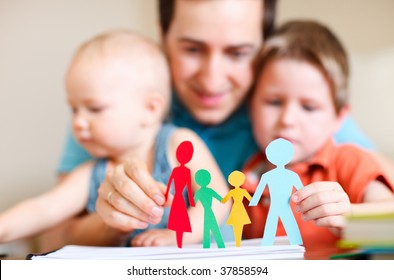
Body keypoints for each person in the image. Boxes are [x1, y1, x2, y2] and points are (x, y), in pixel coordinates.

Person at [46, 0, 377, 248]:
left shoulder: (295, 115)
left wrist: (352, 218)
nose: (212, 79)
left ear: (262, 46)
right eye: (192, 49)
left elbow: (381, 219)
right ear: (163, 35)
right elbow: (48, 242)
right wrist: (113, 220)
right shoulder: (119, 108)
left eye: (237, 53)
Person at [0, 30, 230, 247]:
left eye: (95, 108)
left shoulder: (178, 143)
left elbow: (218, 199)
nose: (78, 122)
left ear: (150, 108)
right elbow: (44, 210)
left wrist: (177, 235)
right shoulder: (91, 173)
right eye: (74, 109)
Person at [242, 20, 394, 246]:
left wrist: (351, 217)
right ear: (250, 106)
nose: (287, 119)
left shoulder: (348, 161)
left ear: (339, 118)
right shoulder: (250, 173)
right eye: (274, 102)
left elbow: (389, 224)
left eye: (309, 107)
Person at [222, 170, 252, 247]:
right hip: (240, 208)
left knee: (236, 226)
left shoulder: (232, 192)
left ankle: (238, 243)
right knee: (240, 226)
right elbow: (251, 200)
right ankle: (238, 243)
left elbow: (224, 200)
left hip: (236, 208)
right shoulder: (243, 191)